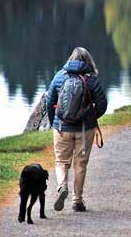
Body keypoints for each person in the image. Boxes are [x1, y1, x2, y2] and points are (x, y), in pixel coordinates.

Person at [46, 47, 107, 212]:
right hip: (84, 129)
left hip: (61, 128)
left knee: (61, 161)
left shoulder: (59, 76)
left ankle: (61, 187)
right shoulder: (91, 79)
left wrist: (54, 123)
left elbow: (49, 101)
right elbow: (102, 105)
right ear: (88, 61)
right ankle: (77, 200)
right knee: (80, 164)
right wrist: (91, 119)